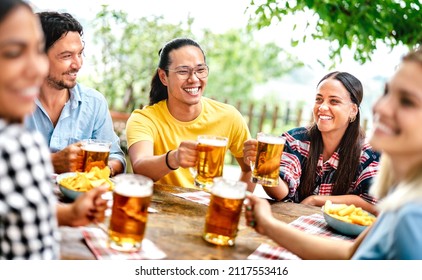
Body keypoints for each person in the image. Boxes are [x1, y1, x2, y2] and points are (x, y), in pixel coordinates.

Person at [244, 47, 422, 259]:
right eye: (387, 93)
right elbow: (348, 254)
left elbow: (369, 204)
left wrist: (315, 200)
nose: (381, 107)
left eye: (407, 101)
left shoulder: (411, 217)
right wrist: (267, 223)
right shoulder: (399, 203)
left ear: (353, 110)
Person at [0, 0, 107, 259]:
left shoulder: (19, 140)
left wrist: (69, 214)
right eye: (14, 52)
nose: (35, 67)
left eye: (36, 51)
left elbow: (20, 206)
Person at [243, 71, 380, 214]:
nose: (322, 107)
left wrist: (315, 200)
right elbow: (281, 193)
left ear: (353, 110)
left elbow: (375, 204)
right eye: (319, 99)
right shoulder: (295, 140)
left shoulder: (370, 153)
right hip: (293, 225)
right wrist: (264, 166)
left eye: (334, 101)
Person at [126, 37, 252, 188]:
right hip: (161, 210)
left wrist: (237, 206)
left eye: (200, 70)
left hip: (209, 209)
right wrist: (174, 158)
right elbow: (140, 167)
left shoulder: (229, 116)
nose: (193, 79)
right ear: (163, 77)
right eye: (183, 71)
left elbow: (248, 169)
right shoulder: (144, 119)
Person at [24, 11, 126, 176]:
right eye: (66, 56)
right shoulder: (9, 102)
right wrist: (51, 162)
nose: (78, 64)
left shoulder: (94, 103)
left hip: (79, 198)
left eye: (80, 53)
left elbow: (116, 157)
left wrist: (103, 170)